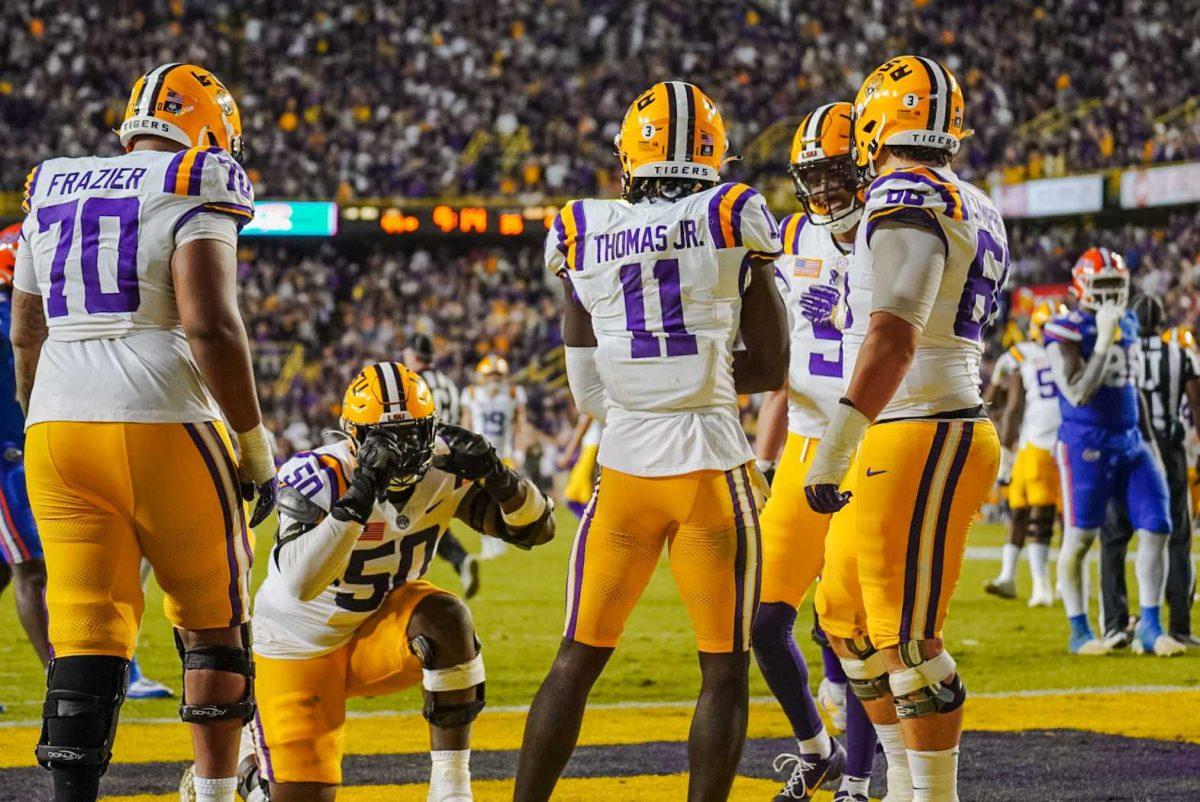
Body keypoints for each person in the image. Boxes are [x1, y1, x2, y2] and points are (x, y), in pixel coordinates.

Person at [514, 81, 788, 802]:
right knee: (723, 670)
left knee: (576, 659)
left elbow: (586, 390)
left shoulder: (582, 226)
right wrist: (697, 378)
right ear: (713, 154)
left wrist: (641, 401)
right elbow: (771, 364)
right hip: (711, 469)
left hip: (625, 475)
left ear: (628, 156)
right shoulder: (732, 214)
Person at [12, 64, 276, 802]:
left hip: (57, 426)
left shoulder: (50, 179)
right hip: (161, 415)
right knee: (214, 621)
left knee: (85, 634)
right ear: (212, 127)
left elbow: (26, 330)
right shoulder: (200, 176)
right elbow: (210, 325)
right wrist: (255, 447)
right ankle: (218, 791)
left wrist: (44, 410)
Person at [199, 362, 553, 802]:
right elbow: (299, 583)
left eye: (412, 434)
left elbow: (537, 530)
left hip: (379, 633)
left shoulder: (445, 468)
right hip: (298, 645)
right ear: (352, 435)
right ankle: (246, 769)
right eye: (385, 439)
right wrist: (362, 490)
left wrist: (500, 479)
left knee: (446, 618)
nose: (402, 452)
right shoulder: (323, 474)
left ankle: (451, 791)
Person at [804, 56, 1007, 802]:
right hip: (910, 426)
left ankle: (931, 795)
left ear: (873, 122)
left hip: (926, 425)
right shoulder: (970, 198)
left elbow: (894, 333)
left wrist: (835, 442)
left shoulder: (905, 193)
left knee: (909, 644)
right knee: (844, 619)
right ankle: (898, 780)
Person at [752, 101, 878, 802]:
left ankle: (857, 783)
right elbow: (780, 370)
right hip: (803, 443)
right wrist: (764, 462)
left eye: (836, 173)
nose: (825, 191)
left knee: (853, 629)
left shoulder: (896, 231)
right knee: (763, 620)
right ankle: (817, 749)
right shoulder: (792, 232)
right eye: (813, 177)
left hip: (867, 449)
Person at [1043, 249, 1183, 657]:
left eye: (1114, 287)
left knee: (1158, 526)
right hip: (1085, 445)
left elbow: (1131, 388)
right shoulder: (1063, 329)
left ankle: (1151, 628)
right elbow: (1078, 393)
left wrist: (1150, 445)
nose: (1107, 296)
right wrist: (1103, 342)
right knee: (1081, 537)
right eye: (1100, 286)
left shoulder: (1131, 321)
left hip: (1131, 440)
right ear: (1079, 286)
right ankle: (1080, 631)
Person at [1099, 294, 1199, 648]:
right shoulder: (1180, 354)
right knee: (1176, 538)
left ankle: (1114, 624)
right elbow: (1197, 406)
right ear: (1161, 322)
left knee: (1114, 537)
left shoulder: (1122, 351)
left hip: (1127, 447)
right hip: (1168, 452)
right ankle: (1180, 626)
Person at [986, 303, 1060, 606]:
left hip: (1037, 443)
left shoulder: (1023, 356)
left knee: (1032, 514)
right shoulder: (1071, 353)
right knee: (1028, 512)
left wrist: (1004, 450)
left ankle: (1045, 586)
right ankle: (1010, 576)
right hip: (1056, 442)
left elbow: (1004, 405)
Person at [405, 333, 479, 598]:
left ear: (412, 356)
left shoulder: (414, 382)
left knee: (407, 519)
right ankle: (459, 561)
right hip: (451, 459)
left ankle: (409, 580)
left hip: (422, 458)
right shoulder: (448, 383)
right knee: (425, 518)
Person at [460, 355, 527, 559]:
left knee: (505, 501)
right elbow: (466, 424)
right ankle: (488, 542)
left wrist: (520, 450)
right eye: (491, 375)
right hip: (481, 454)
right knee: (481, 500)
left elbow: (520, 425)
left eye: (498, 375)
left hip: (504, 454)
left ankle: (500, 539)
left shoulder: (514, 393)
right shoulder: (471, 394)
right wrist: (464, 451)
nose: (494, 380)